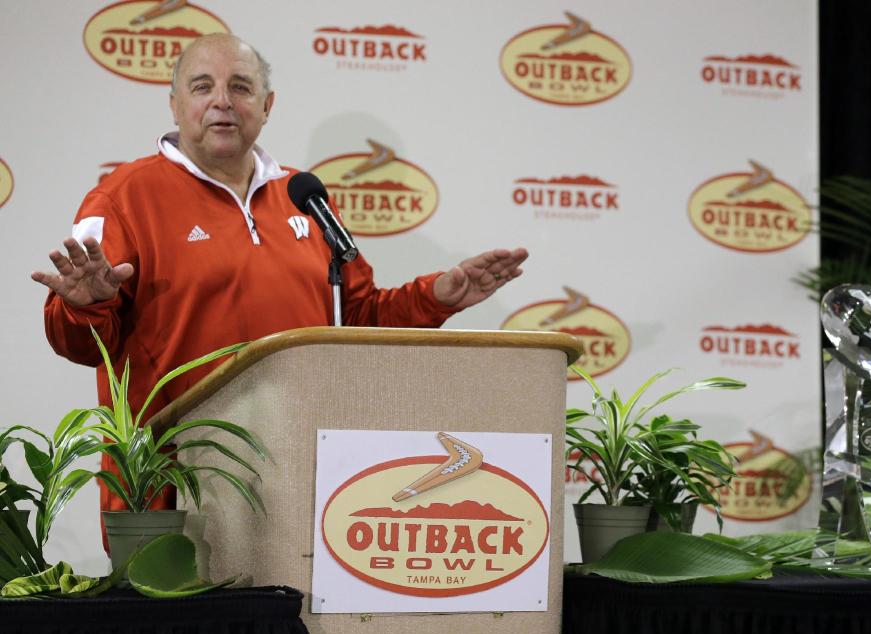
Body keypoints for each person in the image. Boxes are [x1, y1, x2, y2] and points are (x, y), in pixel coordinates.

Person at [31, 34, 527, 526]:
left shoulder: (303, 196)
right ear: (175, 105)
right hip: (172, 483)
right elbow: (81, 343)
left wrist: (438, 297)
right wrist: (85, 306)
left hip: (302, 472)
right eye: (203, 86)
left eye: (241, 87)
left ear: (267, 105)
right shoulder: (122, 199)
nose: (223, 101)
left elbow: (353, 318)